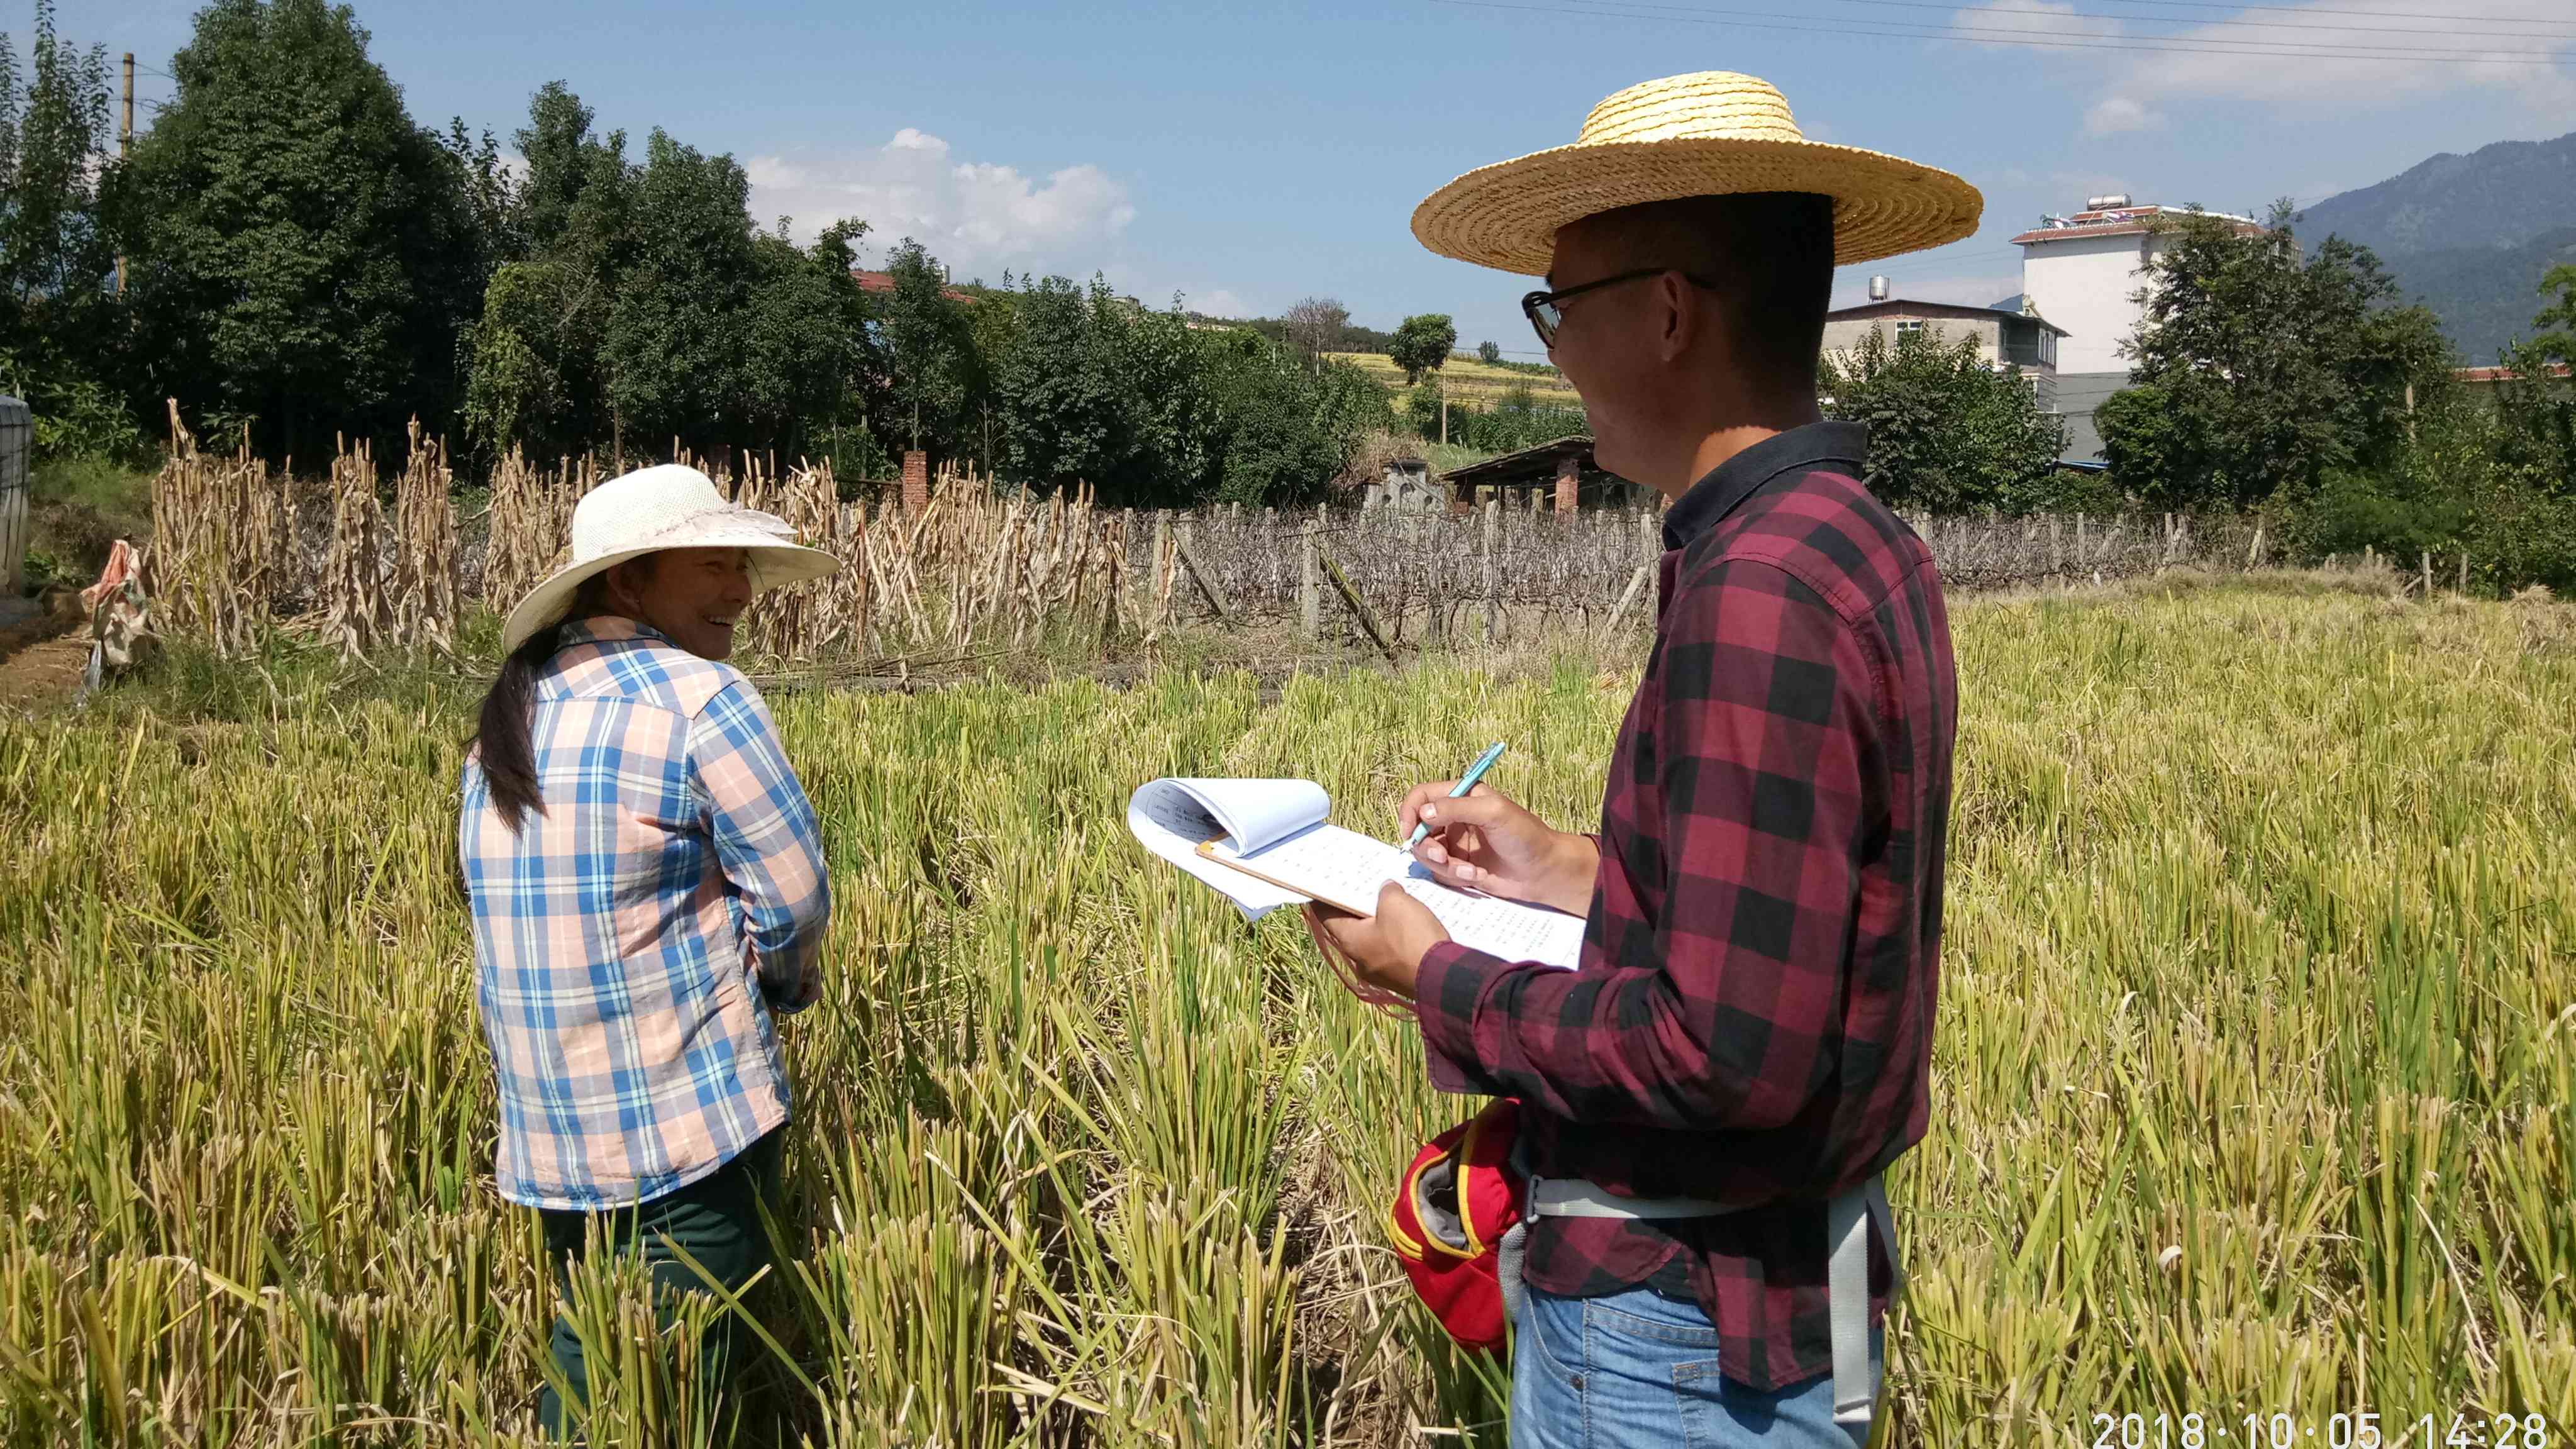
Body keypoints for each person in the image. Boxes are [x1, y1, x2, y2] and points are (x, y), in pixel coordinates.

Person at [1307, 72, 1975, 1446]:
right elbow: (1786, 931)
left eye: (1557, 307)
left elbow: (1723, 1056)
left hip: (1675, 1332)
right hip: (1792, 1277)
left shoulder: (1760, 589)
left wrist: (1436, 976)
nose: (1552, 350)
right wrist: (1564, 869)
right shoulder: (1849, 541)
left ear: (1668, 313)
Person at [458, 463, 839, 1437]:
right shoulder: (701, 699)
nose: (741, 591)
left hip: (554, 1144)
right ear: (629, 580)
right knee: (665, 1400)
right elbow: (794, 901)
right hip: (686, 1137)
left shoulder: (510, 716)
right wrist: (777, 991)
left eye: (742, 565)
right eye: (713, 565)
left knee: (608, 1370)